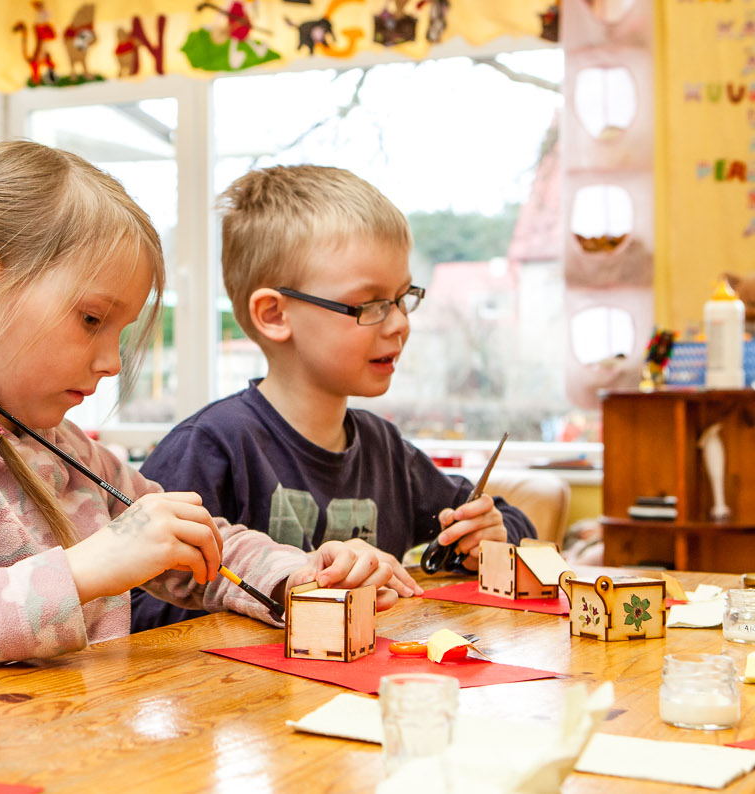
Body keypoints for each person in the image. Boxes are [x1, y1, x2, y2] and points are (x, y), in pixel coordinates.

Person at [0, 140, 416, 675]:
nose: (111, 362)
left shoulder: (64, 448)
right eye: (92, 319)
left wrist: (303, 574)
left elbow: (198, 543)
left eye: (118, 332)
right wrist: (83, 571)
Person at [131, 164, 535, 632]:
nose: (401, 322)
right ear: (275, 314)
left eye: (403, 298)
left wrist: (490, 537)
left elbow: (510, 520)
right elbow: (135, 610)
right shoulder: (209, 448)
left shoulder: (386, 450)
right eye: (370, 304)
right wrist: (296, 585)